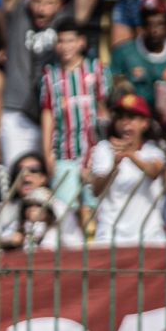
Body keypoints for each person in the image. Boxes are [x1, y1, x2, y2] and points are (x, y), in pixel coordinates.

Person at [0, 0, 104, 168]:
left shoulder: (65, 20)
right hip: (17, 115)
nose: (41, 8)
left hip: (56, 123)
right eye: (37, 1)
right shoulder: (19, 11)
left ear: (59, 4)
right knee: (18, 178)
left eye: (48, 3)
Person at [39, 17, 110, 209]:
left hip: (94, 155)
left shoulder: (96, 70)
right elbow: (48, 116)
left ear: (81, 42)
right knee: (65, 214)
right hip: (64, 155)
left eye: (70, 41)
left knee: (95, 211)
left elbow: (104, 110)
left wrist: (104, 150)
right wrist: (47, 155)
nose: (65, 46)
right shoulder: (50, 76)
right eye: (61, 41)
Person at [89, 94, 166, 245]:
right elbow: (96, 190)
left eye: (131, 117)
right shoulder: (103, 148)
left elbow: (154, 172)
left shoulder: (154, 150)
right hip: (110, 236)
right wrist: (114, 166)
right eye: (120, 117)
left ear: (144, 123)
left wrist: (130, 154)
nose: (125, 122)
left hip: (149, 237)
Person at [0, 151, 84, 249]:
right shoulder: (5, 209)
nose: (25, 175)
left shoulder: (59, 208)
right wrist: (9, 241)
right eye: (19, 171)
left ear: (43, 178)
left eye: (33, 170)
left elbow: (76, 245)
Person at [109, 0, 166, 114]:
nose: (154, 30)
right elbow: (112, 88)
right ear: (142, 26)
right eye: (149, 24)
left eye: (160, 24)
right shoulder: (123, 53)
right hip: (133, 117)